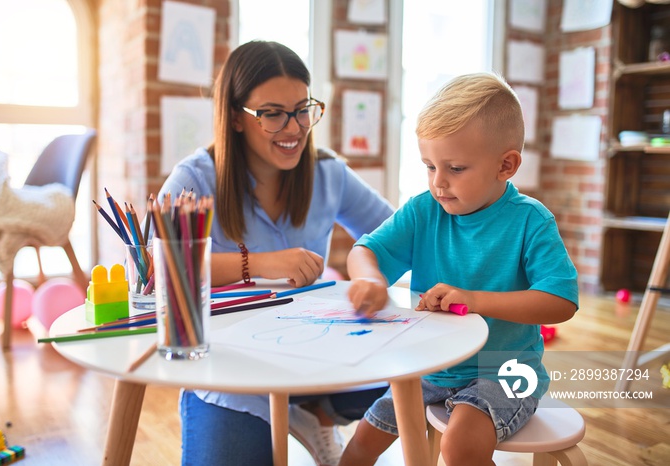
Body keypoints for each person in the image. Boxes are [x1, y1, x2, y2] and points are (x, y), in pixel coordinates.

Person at [157, 40, 395, 466]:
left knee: (426, 380)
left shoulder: (328, 173)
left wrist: (371, 275)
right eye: (272, 114)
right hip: (230, 375)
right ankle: (298, 411)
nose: (294, 128)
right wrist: (259, 264)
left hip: (319, 352)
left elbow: (396, 235)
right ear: (235, 117)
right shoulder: (194, 178)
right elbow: (157, 275)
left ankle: (316, 412)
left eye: (302, 109)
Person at [339, 72, 579, 466]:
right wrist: (368, 277)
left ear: (506, 165)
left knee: (459, 446)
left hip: (504, 373)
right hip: (429, 370)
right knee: (362, 441)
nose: (438, 183)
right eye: (429, 166)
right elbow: (366, 250)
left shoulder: (531, 221)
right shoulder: (423, 210)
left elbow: (561, 301)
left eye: (455, 168)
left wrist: (474, 300)